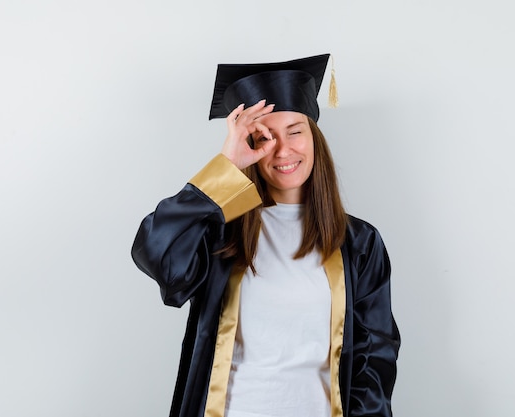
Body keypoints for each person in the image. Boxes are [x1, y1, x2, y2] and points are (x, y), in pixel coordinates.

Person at [132, 54, 400, 417]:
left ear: (314, 138)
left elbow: (374, 358)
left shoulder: (358, 242)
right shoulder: (220, 232)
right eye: (264, 137)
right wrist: (225, 167)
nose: (283, 150)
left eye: (294, 131)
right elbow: (158, 254)